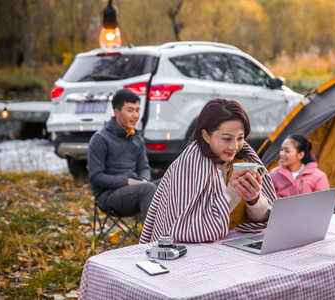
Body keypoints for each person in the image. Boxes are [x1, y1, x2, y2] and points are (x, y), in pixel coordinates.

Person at [139, 98, 277, 243]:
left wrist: (254, 200)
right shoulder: (188, 167)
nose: (234, 147)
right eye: (226, 139)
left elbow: (263, 222)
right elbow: (188, 232)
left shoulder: (245, 161)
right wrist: (231, 193)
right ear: (206, 136)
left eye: (240, 138)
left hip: (235, 246)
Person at [87, 89, 157, 221]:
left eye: (137, 110)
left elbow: (144, 167)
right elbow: (96, 178)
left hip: (137, 189)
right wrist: (127, 181)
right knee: (148, 190)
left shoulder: (136, 137)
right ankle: (153, 239)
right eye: (130, 110)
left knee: (169, 185)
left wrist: (143, 180)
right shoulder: (100, 139)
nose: (135, 115)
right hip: (108, 196)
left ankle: (180, 235)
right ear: (117, 112)